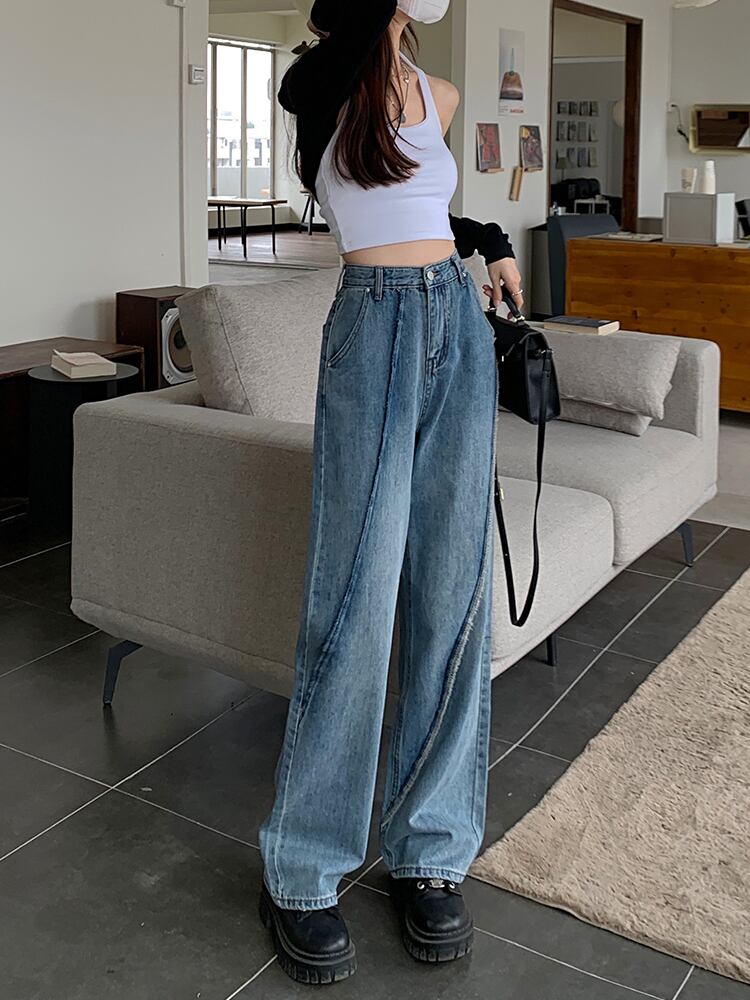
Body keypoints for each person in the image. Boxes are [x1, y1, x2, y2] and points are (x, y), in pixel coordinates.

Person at [257, 0, 523, 985]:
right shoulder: (326, 80)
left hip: (454, 318)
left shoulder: (439, 94)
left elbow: (420, 209)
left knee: (451, 595)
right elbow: (351, 179)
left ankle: (430, 851)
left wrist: (488, 237)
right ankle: (303, 868)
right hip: (373, 328)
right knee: (355, 606)